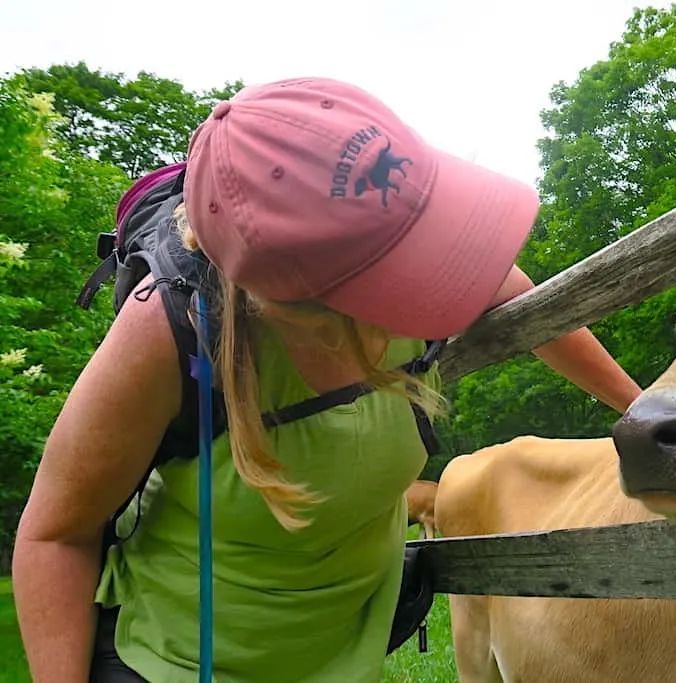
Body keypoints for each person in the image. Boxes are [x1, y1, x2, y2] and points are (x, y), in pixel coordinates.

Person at [12, 77, 643, 683]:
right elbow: (54, 535)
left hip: (344, 661)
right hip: (180, 665)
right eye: (400, 257)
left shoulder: (423, 257)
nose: (438, 265)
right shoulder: (169, 331)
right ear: (295, 305)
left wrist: (643, 412)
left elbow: (530, 308)